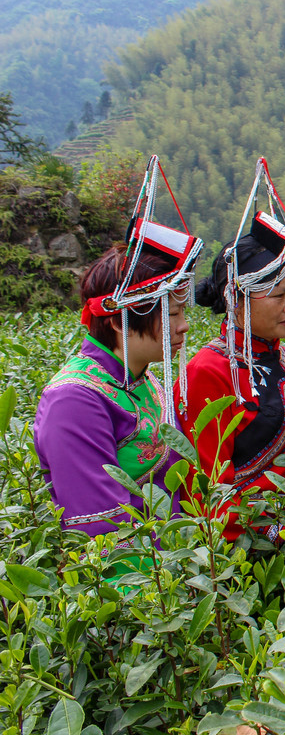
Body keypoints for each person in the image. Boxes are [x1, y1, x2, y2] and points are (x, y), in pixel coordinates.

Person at [35, 195, 202, 541]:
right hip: (135, 583)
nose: (184, 326)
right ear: (117, 321)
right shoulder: (75, 401)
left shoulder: (143, 379)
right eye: (171, 315)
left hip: (174, 569)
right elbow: (102, 528)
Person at [177, 212, 285, 542]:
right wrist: (277, 534)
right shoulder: (207, 373)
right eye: (279, 296)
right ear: (235, 298)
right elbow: (207, 494)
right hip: (249, 553)